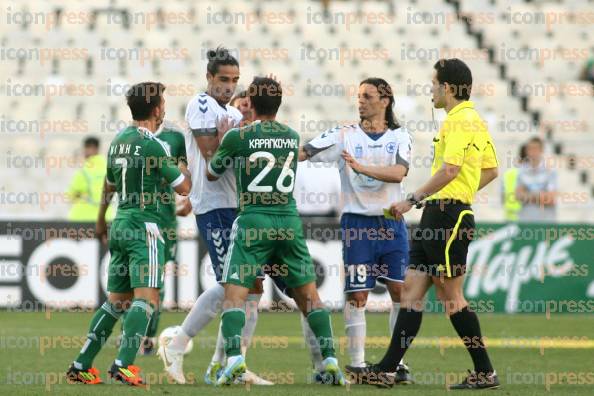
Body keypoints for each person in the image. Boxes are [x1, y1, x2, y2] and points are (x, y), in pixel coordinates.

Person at [352, 58, 500, 389]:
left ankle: (485, 371)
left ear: (447, 88)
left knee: (451, 296)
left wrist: (414, 199)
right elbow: (490, 171)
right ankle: (388, 369)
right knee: (411, 291)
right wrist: (453, 193)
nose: (431, 90)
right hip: (440, 212)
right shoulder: (472, 119)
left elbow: (450, 170)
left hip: (447, 215)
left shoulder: (459, 121)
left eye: (433, 84)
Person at [207, 76, 347, 386]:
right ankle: (331, 361)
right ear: (279, 104)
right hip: (287, 220)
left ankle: (233, 362)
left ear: (251, 104)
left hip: (253, 220)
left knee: (235, 295)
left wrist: (223, 140)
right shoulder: (290, 136)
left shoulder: (238, 136)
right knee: (310, 297)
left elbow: (213, 173)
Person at [156, 47, 271, 386]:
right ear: (209, 77)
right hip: (215, 206)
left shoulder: (233, 115)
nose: (229, 86)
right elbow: (211, 158)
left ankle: (228, 365)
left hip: (240, 206)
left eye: (235, 80)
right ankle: (177, 344)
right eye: (223, 79)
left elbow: (242, 155)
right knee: (233, 284)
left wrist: (235, 137)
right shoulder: (201, 105)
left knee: (252, 287)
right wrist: (230, 140)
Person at [66, 82, 191, 387]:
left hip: (120, 222)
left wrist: (100, 221)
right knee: (146, 299)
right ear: (157, 108)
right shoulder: (153, 145)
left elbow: (108, 187)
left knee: (116, 301)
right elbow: (184, 188)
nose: (163, 108)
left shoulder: (119, 140)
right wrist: (187, 168)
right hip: (145, 226)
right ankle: (124, 364)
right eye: (162, 103)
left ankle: (81, 364)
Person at [299, 78, 413, 383]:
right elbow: (303, 152)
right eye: (359, 96)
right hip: (358, 224)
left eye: (368, 96)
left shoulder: (400, 136)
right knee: (358, 295)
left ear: (385, 100)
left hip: (390, 222)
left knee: (401, 292)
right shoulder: (343, 135)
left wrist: (361, 167)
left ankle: (396, 362)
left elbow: (398, 173)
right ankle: (359, 364)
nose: (360, 101)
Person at [67, 137, 113, 222]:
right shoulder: (109, 168)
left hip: (83, 219)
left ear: (90, 148)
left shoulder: (84, 171)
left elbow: (71, 196)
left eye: (85, 149)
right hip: (107, 218)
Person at [515, 137, 557, 223]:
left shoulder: (550, 171)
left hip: (546, 222)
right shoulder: (521, 171)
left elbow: (551, 199)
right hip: (525, 221)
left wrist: (527, 195)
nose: (532, 152)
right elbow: (518, 196)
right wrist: (541, 196)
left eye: (535, 148)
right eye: (530, 149)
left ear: (541, 150)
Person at [502, 144, 526, 222]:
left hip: (510, 217)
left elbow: (502, 197)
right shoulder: (532, 175)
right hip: (528, 219)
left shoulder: (508, 174)